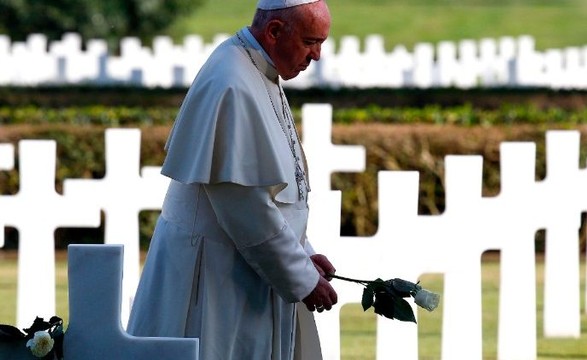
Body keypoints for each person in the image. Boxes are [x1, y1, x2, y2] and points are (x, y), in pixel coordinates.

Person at [126, 0, 338, 359]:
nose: (316, 55)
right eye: (310, 42)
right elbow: (245, 204)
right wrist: (301, 276)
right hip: (211, 279)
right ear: (273, 32)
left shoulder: (260, 71)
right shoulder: (232, 80)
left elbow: (275, 193)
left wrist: (304, 255)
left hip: (242, 272)